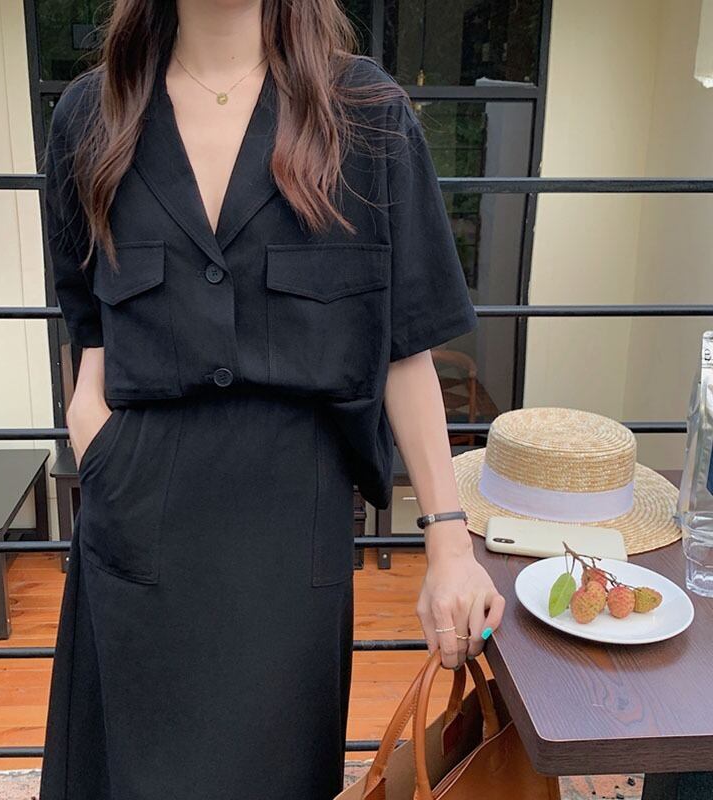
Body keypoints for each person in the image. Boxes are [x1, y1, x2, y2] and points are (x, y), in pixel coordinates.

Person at [38, 1, 505, 798]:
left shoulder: (366, 115)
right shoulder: (92, 115)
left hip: (292, 536)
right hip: (138, 515)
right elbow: (92, 328)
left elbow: (404, 349)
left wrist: (450, 547)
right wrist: (99, 443)